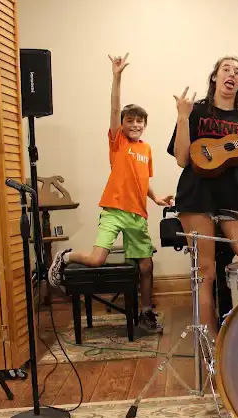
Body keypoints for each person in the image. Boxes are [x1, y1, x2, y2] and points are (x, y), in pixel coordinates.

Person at [48, 54, 174, 333]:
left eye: (140, 121)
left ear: (145, 125)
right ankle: (65, 257)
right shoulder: (118, 144)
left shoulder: (146, 149)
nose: (135, 125)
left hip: (137, 215)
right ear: (123, 124)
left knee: (146, 266)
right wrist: (117, 77)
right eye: (130, 121)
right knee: (97, 260)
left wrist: (155, 198)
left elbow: (142, 181)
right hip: (114, 211)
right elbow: (115, 108)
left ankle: (145, 312)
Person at [168, 56, 238, 338]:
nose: (232, 74)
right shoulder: (196, 111)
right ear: (215, 77)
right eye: (226, 69)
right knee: (204, 272)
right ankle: (209, 345)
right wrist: (182, 116)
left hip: (236, 198)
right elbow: (182, 159)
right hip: (197, 197)